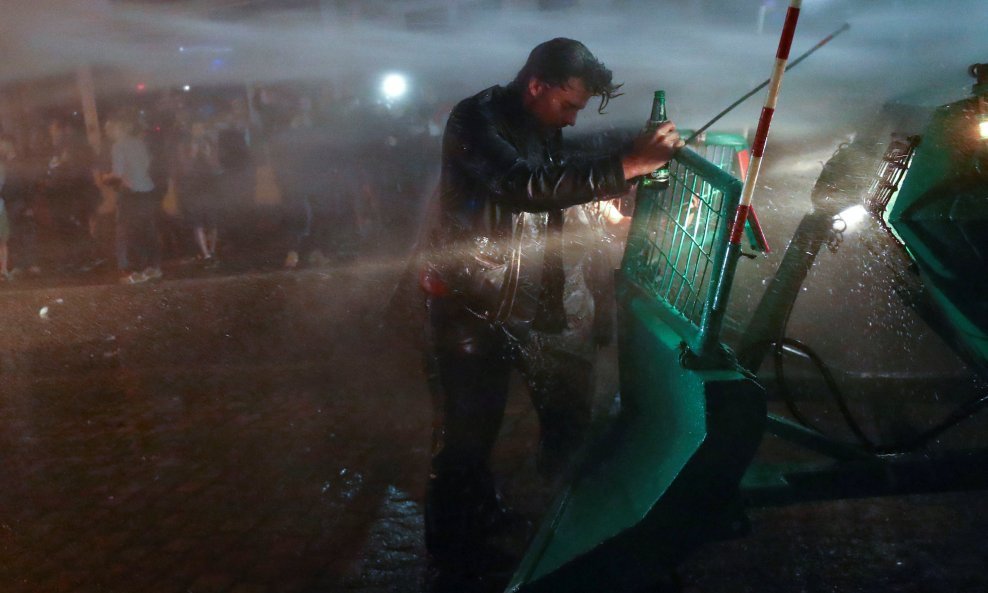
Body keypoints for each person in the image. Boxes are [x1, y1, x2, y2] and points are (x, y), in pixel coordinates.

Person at [421, 37, 682, 562]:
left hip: (534, 305)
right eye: (568, 106)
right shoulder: (473, 119)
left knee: (567, 420)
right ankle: (453, 551)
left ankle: (549, 522)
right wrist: (626, 165)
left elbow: (560, 178)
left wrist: (623, 164)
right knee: (468, 438)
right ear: (537, 85)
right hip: (471, 306)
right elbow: (523, 184)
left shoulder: (542, 123)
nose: (569, 120)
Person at [102, 112, 162, 284]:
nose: (107, 133)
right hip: (147, 191)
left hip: (131, 194)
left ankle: (131, 271)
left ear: (118, 128)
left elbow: (118, 174)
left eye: (109, 129)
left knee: (126, 232)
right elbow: (147, 165)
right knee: (147, 231)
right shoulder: (140, 143)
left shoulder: (118, 146)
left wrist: (105, 178)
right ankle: (152, 267)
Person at [176, 119, 222, 264]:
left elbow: (217, 168)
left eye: (201, 127)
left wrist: (208, 155)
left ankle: (212, 251)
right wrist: (193, 154)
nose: (199, 131)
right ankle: (205, 253)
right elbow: (184, 169)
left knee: (213, 220)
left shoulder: (210, 143)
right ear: (191, 130)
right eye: (196, 128)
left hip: (210, 186)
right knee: (198, 222)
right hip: (193, 187)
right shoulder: (184, 145)